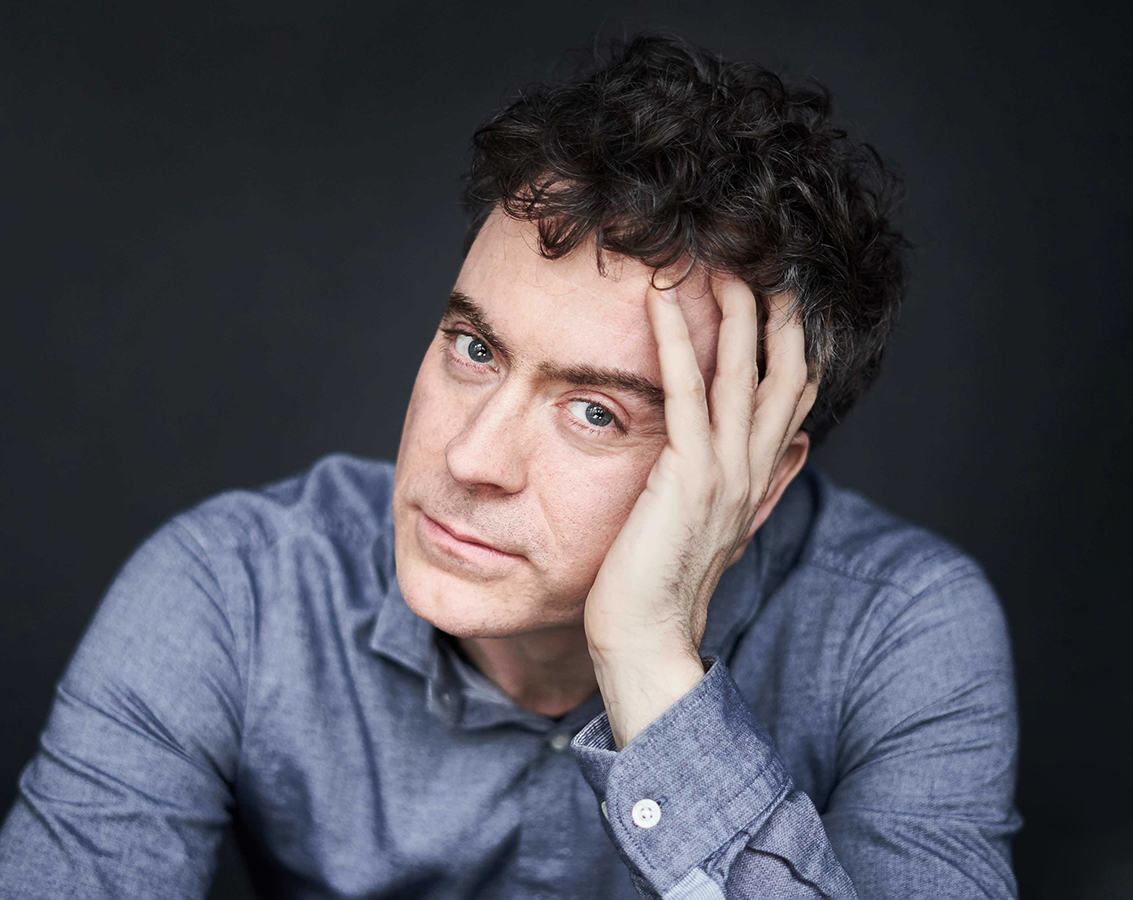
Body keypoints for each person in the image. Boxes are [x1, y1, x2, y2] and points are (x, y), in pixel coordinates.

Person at [0, 33, 1021, 899]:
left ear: (754, 479)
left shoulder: (900, 630)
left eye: (593, 411)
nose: (467, 456)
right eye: (474, 349)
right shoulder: (230, 591)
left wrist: (651, 664)